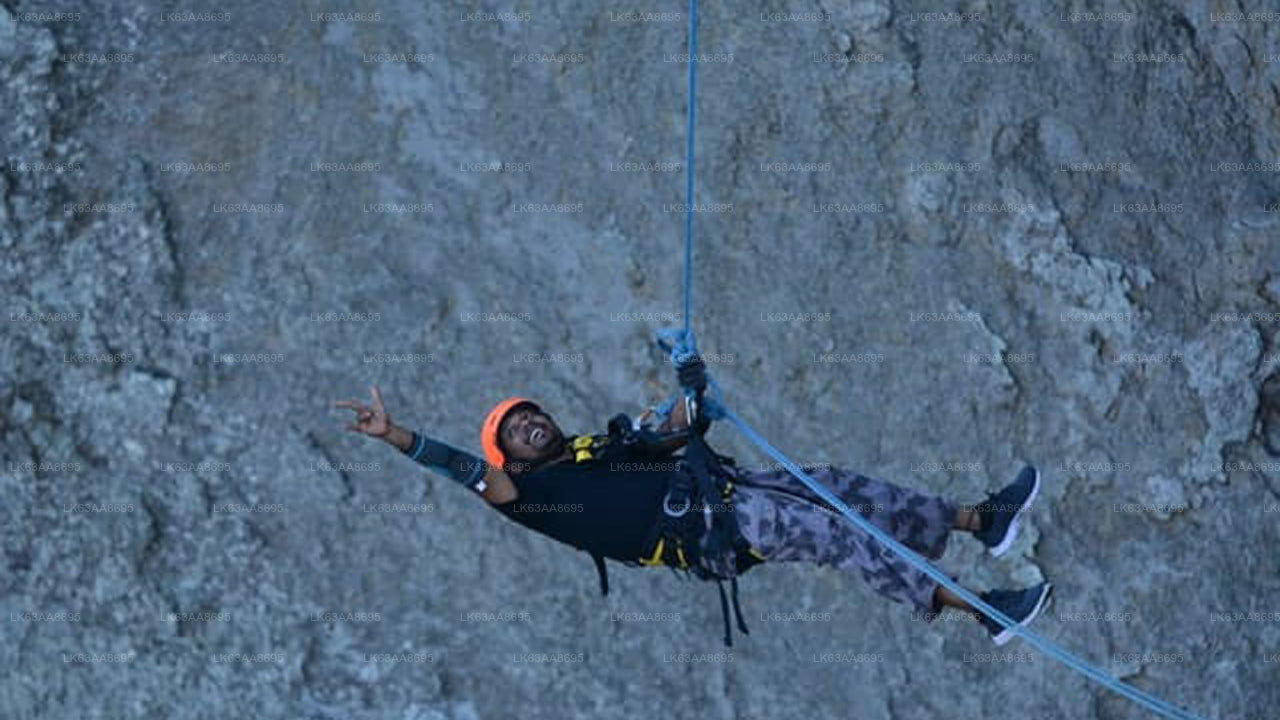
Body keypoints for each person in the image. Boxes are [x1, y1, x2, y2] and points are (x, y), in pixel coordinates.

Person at [335, 357, 1052, 646]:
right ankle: (984, 611)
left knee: (835, 485)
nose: (527, 422)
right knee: (835, 537)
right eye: (513, 432)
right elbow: (466, 470)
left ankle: (978, 521)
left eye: (529, 413)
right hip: (713, 534)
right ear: (510, 459)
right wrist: (399, 435)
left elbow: (674, 426)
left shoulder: (599, 450)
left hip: (728, 492)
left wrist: (690, 383)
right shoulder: (527, 496)